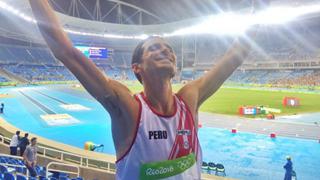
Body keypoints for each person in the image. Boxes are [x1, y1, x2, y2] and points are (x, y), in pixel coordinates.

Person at [29, 1, 255, 179]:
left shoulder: (189, 99)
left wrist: (258, 13)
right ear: (137, 68)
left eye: (168, 49)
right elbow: (66, 52)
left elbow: (234, 57)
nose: (165, 51)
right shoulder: (128, 107)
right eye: (154, 48)